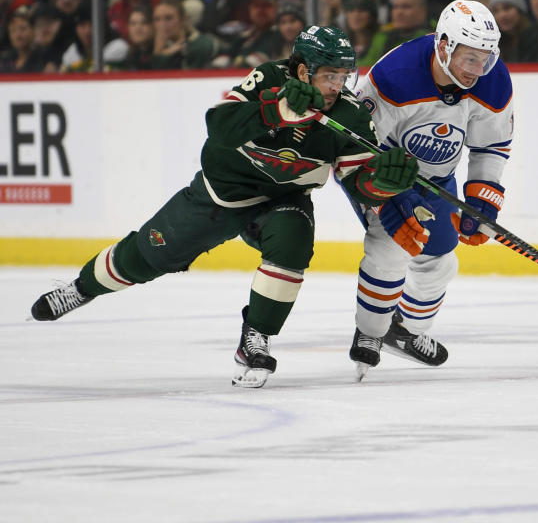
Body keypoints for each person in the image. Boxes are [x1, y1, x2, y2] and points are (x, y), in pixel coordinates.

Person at [30, 25, 422, 389]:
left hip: (282, 201)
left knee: (293, 243)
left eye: (343, 76)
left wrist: (381, 183)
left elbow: (359, 182)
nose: (338, 85)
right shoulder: (269, 79)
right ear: (302, 70)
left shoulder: (351, 114)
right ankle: (81, 288)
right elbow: (219, 126)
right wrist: (278, 111)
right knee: (144, 258)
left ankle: (256, 339)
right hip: (219, 194)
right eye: (329, 76)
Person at [347, 0, 513, 380]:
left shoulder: (494, 79)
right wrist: (389, 194)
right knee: (391, 244)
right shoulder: (394, 75)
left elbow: (491, 144)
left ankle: (405, 331)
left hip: (437, 178)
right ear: (443, 46)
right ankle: (370, 333)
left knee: (440, 257)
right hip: (380, 172)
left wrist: (482, 197)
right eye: (469, 58)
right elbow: (357, 144)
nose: (478, 70)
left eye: (485, 59)